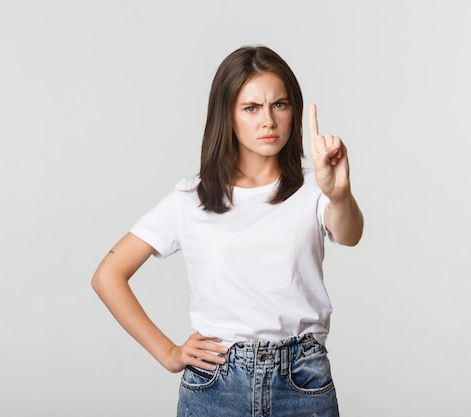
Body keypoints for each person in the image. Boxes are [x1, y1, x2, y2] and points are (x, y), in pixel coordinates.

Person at [91, 45, 364, 417]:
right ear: (228, 116)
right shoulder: (192, 197)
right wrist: (169, 353)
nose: (268, 120)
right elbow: (108, 275)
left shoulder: (314, 188)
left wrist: (340, 193)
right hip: (217, 383)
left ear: (294, 111)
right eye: (251, 108)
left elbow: (350, 234)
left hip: (301, 380)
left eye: (279, 104)